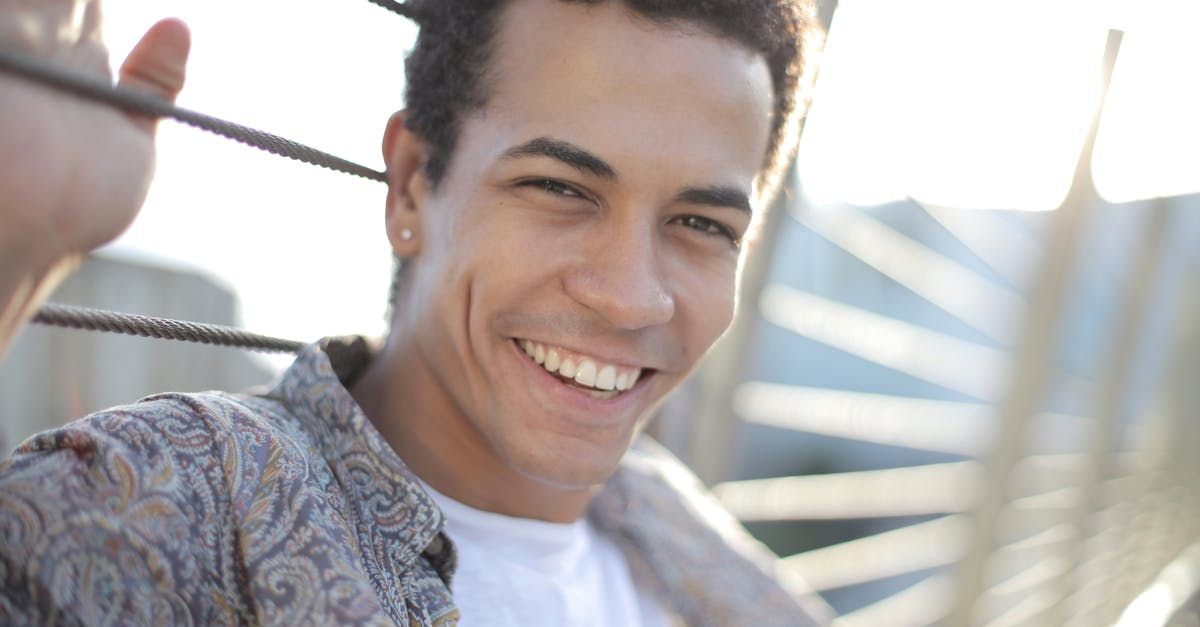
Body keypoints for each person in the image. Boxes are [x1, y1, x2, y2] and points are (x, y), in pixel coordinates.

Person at [0, 0, 834, 624]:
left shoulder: (702, 552)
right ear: (409, 185)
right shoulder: (162, 500)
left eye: (700, 224)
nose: (629, 296)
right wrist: (13, 252)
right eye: (558, 187)